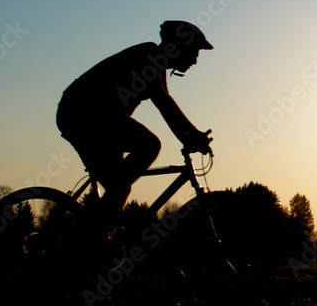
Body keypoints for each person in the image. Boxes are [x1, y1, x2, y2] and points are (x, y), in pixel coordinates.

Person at [56, 20, 213, 220]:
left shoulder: (158, 66)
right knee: (149, 146)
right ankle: (93, 226)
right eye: (194, 52)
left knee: (121, 188)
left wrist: (189, 138)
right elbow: (164, 104)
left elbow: (168, 108)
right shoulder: (149, 57)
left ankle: (99, 240)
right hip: (83, 114)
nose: (195, 61)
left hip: (94, 118)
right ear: (179, 47)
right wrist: (193, 135)